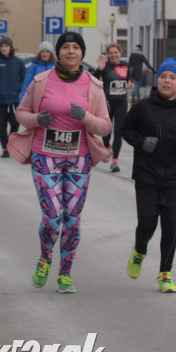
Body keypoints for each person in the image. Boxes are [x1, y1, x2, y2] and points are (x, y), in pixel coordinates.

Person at [10, 31, 112, 293]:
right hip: (46, 157)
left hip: (79, 159)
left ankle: (65, 273)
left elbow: (105, 126)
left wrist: (86, 117)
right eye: (66, 47)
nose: (71, 52)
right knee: (53, 216)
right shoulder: (41, 80)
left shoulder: (93, 85)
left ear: (82, 52)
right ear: (58, 52)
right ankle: (45, 258)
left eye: (76, 47)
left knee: (72, 219)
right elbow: (21, 113)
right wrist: (37, 120)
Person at [121, 57, 176, 293]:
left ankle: (165, 273)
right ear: (157, 80)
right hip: (146, 176)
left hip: (173, 179)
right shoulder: (142, 107)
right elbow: (126, 130)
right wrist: (141, 141)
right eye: (163, 76)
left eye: (172, 77)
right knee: (147, 223)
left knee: (170, 225)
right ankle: (139, 251)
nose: (167, 81)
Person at [93, 43, 133, 173]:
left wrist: (130, 83)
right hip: (107, 103)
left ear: (120, 53)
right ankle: (106, 145)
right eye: (111, 53)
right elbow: (93, 78)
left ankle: (115, 161)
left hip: (121, 103)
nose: (114, 55)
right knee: (106, 130)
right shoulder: (105, 66)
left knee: (118, 131)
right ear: (108, 55)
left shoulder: (125, 66)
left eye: (116, 52)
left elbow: (128, 79)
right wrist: (99, 69)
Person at [0, 36, 26, 158]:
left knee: (15, 123)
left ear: (10, 47)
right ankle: (5, 148)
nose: (4, 48)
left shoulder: (18, 62)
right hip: (0, 100)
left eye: (6, 46)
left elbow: (24, 78)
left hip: (13, 100)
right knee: (2, 125)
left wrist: (18, 88)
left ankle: (11, 143)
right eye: (2, 46)